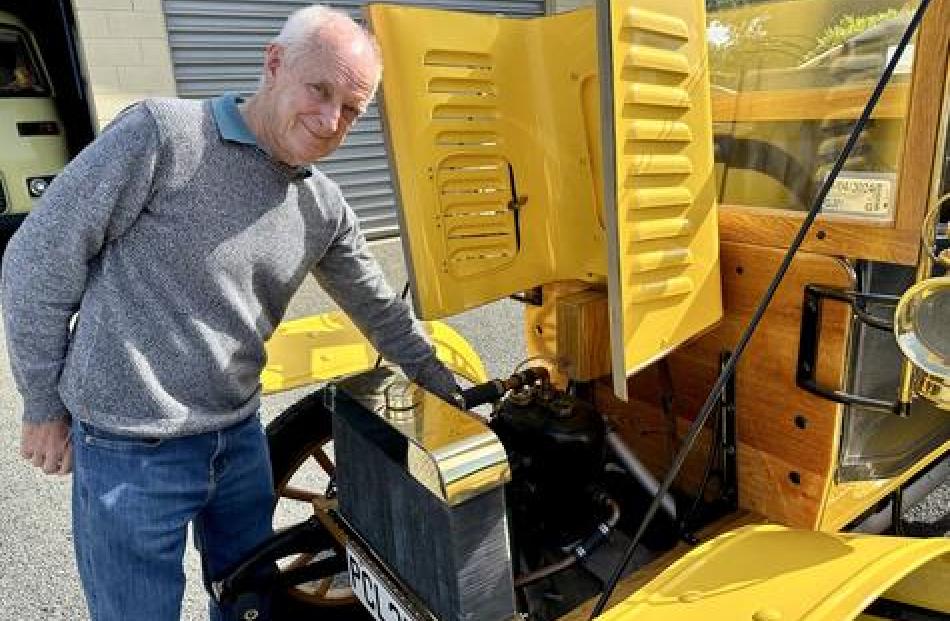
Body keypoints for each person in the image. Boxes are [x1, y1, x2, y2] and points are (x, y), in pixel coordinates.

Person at [1, 5, 457, 621]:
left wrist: (441, 381)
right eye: (319, 91)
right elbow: (37, 261)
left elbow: (379, 307)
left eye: (351, 109)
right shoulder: (162, 136)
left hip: (238, 441)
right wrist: (43, 404)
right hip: (131, 448)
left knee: (251, 606)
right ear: (275, 64)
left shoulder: (321, 204)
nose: (330, 121)